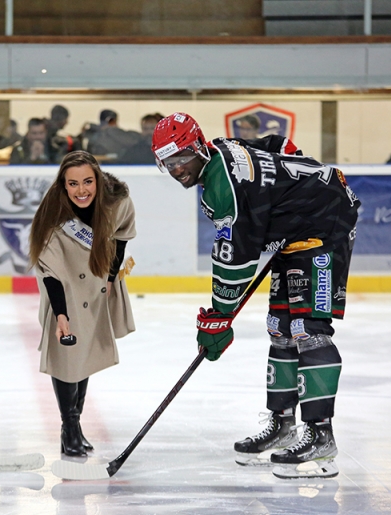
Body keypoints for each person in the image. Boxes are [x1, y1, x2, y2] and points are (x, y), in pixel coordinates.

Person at [151, 112, 359, 479]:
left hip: (326, 224)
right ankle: (283, 425)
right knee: (280, 327)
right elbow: (277, 144)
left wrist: (219, 316)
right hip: (297, 230)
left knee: (308, 330)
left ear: (198, 147)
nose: (177, 168)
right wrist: (288, 192)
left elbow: (236, 259)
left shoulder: (223, 186)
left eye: (181, 157)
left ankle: (321, 436)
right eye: (168, 162)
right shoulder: (223, 148)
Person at [28, 151, 137, 457]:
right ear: (63, 186)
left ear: (98, 180)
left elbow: (122, 236)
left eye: (88, 181)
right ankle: (70, 426)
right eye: (73, 183)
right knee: (67, 355)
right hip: (65, 288)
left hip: (96, 284)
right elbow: (51, 272)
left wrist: (111, 277)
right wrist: (61, 314)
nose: (81, 190)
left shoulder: (117, 202)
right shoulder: (53, 217)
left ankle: (74, 425)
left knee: (84, 351)